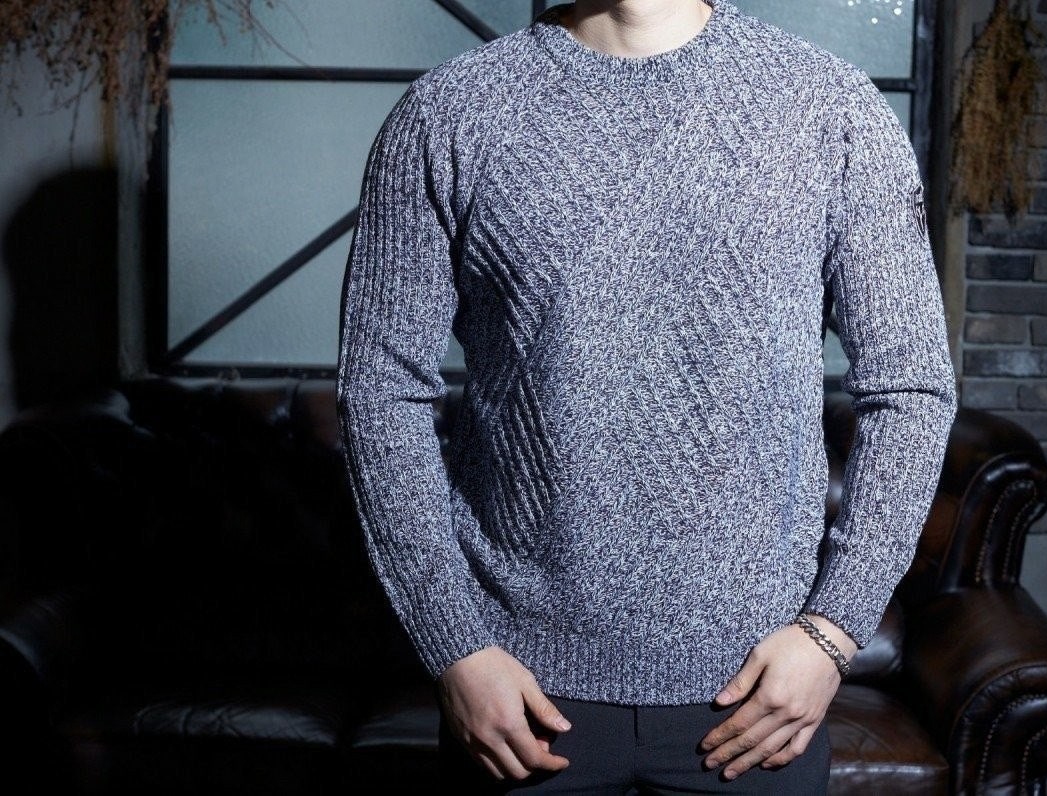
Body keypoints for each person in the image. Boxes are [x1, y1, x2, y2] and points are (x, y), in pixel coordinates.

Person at [334, 0, 958, 792]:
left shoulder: (829, 108)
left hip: (757, 694)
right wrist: (454, 643)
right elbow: (381, 389)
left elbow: (910, 385)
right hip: (517, 690)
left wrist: (832, 631)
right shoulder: (448, 112)